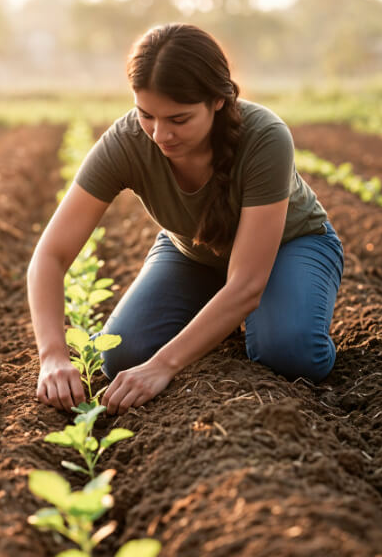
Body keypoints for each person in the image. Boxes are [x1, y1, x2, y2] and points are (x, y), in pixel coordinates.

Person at [27, 23, 344, 415]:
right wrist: (53, 355)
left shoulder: (265, 137)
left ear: (217, 100)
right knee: (122, 357)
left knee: (289, 353)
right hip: (194, 252)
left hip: (290, 247)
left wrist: (164, 365)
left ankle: (277, 311)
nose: (160, 135)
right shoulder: (127, 141)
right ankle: (218, 322)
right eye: (147, 115)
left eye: (179, 119)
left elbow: (247, 283)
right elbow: (51, 255)